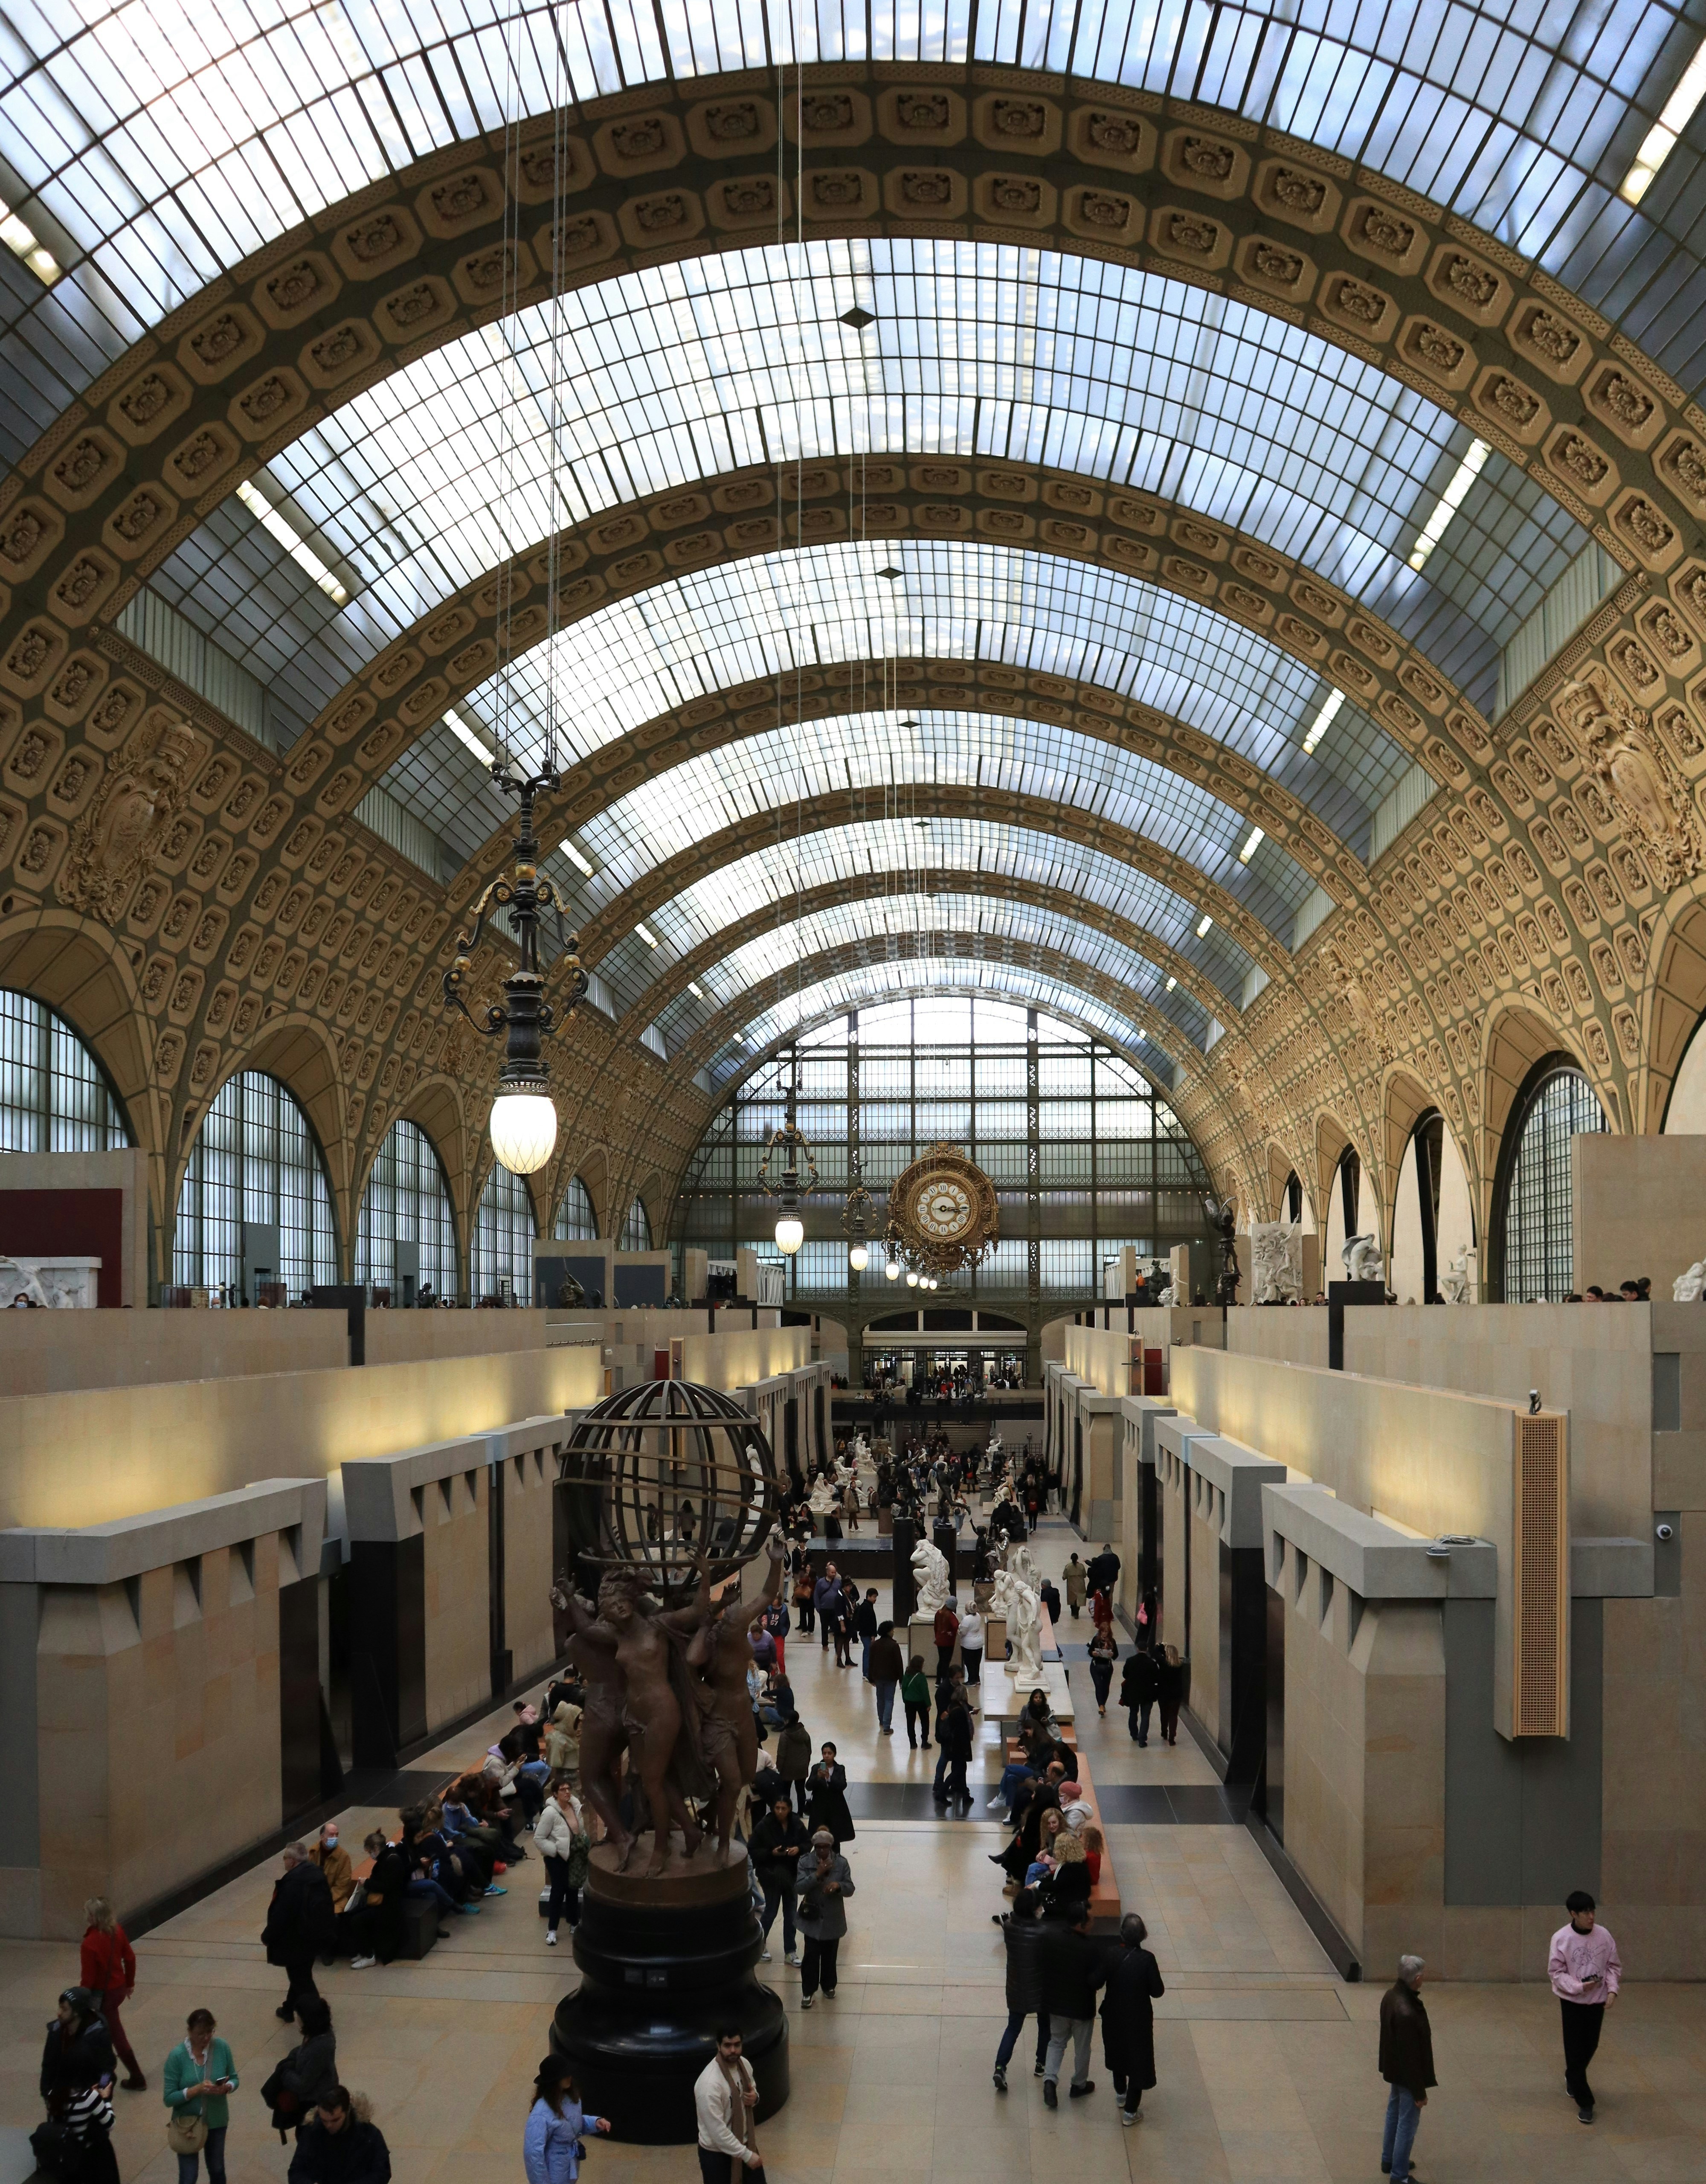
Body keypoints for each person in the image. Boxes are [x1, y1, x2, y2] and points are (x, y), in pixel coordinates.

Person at [1550, 1890, 1621, 2123]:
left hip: (1597, 2001)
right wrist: (1579, 1986)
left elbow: (1613, 1966)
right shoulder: (1561, 1938)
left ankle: (1573, 2076)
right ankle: (1586, 2102)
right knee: (1574, 2049)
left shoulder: (1604, 1936)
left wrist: (1612, 1990)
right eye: (1585, 1912)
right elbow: (1556, 1973)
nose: (1591, 1917)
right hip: (1571, 2002)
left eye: (1593, 1911)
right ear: (1573, 1914)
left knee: (1591, 2045)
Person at [1036, 1905, 1108, 2105]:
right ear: (1080, 1925)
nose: (1093, 1924)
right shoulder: (1092, 1949)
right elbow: (1096, 1983)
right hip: (1081, 2008)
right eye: (1090, 1921)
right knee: (1082, 2047)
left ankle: (1050, 2080)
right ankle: (1079, 2084)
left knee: (1056, 2042)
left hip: (1056, 2004)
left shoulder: (1051, 1939)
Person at [1100, 1914, 1165, 2124]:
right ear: (1143, 1936)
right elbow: (1157, 1991)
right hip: (1138, 2019)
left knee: (1117, 2053)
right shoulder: (1147, 1959)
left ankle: (1120, 2094)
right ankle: (1131, 2112)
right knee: (1138, 2060)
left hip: (1113, 2014)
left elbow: (1096, 1980)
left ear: (1122, 1934)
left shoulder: (1111, 1954)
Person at [262, 1842, 336, 2021]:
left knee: (302, 1981)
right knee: (301, 1974)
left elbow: (282, 1915)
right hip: (315, 1935)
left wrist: (268, 1936)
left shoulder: (293, 1883)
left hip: (296, 1940)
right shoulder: (316, 1874)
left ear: (293, 1862)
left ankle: (319, 2019)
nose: (284, 1862)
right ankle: (288, 2009)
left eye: (285, 1858)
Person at [1377, 1955, 1434, 2184]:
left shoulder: (1391, 1996)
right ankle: (1399, 2176)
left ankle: (1389, 2159)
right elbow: (1412, 2057)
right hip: (1407, 2073)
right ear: (1417, 1979)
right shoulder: (1408, 2011)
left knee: (1394, 2111)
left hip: (1394, 2067)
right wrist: (1420, 2092)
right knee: (1407, 2122)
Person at [164, 2007, 238, 2184]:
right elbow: (168, 2098)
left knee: (217, 2169)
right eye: (200, 2034)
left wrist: (228, 2087)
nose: (206, 2038)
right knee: (189, 2177)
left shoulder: (222, 2047)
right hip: (187, 2124)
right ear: (189, 2032)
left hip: (217, 2120)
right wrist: (195, 2091)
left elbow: (235, 2078)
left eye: (209, 2032)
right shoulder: (177, 2057)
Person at [79, 1897, 144, 2090]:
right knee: (107, 2030)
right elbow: (130, 1958)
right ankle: (111, 2073)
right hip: (118, 1990)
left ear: (92, 1917)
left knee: (112, 2035)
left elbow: (88, 1980)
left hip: (102, 1996)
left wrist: (80, 2001)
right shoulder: (117, 1931)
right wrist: (130, 1983)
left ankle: (133, 2077)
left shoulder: (89, 1944)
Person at [991, 1889, 1051, 2090]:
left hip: (1016, 1985)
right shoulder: (1043, 1932)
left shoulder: (1009, 1926)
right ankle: (1041, 2063)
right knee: (1045, 2025)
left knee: (1013, 2028)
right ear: (1034, 1909)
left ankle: (1000, 2067)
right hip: (1041, 1987)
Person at [523, 2053, 608, 2184]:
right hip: (553, 2173)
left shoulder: (571, 2099)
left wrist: (596, 2123)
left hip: (568, 2167)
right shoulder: (541, 2114)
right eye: (565, 2074)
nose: (569, 2076)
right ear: (554, 2080)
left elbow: (573, 2125)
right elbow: (533, 2153)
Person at [260, 1998, 334, 2143]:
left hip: (315, 2102)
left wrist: (285, 2072)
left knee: (308, 2141)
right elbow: (301, 2051)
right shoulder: (316, 2034)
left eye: (299, 2015)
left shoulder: (321, 2046)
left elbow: (304, 2084)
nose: (297, 2018)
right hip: (310, 2100)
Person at [694, 2028, 763, 2181]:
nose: (733, 2050)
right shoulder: (709, 2084)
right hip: (717, 2155)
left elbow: (752, 2086)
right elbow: (718, 2132)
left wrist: (755, 2097)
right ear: (718, 2046)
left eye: (737, 2045)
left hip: (745, 2144)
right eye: (727, 2045)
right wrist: (746, 2155)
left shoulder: (744, 2065)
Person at [796, 1828, 855, 2007]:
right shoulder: (805, 1862)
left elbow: (850, 1888)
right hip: (812, 1918)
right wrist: (817, 1874)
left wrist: (838, 1887)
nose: (822, 1851)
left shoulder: (842, 1864)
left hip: (833, 1918)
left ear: (831, 1847)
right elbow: (799, 1888)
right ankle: (808, 1991)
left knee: (830, 1956)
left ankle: (829, 1986)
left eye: (825, 1847)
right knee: (811, 1957)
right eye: (819, 1847)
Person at [286, 2086, 391, 2184]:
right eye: (324, 2120)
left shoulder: (369, 2135)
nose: (329, 2125)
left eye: (335, 2120)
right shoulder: (311, 2133)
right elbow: (296, 2171)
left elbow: (382, 2172)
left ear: (347, 2111)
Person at [749, 1793, 807, 1966]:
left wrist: (798, 1849)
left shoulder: (796, 1824)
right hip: (771, 1875)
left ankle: (790, 1951)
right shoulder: (765, 1825)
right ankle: (760, 1945)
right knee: (771, 1912)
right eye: (777, 1808)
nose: (780, 1811)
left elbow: (808, 1842)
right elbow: (752, 1849)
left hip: (791, 1874)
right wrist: (771, 1853)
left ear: (789, 1809)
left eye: (784, 1808)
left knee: (791, 1914)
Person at [40, 1989, 115, 2117]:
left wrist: (101, 2093)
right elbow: (48, 2064)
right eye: (60, 2008)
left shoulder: (98, 2037)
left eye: (64, 2010)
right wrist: (47, 2092)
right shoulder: (56, 2033)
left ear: (76, 2012)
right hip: (59, 2101)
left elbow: (107, 2070)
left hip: (88, 2104)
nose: (59, 2013)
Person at [534, 1779, 591, 1946]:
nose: (567, 1792)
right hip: (556, 1858)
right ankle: (552, 1930)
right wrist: (556, 1851)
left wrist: (584, 1841)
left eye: (568, 1789)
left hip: (573, 1855)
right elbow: (539, 1838)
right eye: (562, 1790)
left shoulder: (575, 1807)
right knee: (558, 1891)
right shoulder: (550, 1813)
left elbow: (580, 1829)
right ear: (555, 1794)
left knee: (573, 1888)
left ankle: (574, 1923)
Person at [343, 1832, 408, 1970]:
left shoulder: (392, 1861)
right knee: (352, 1916)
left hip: (389, 1907)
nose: (370, 1855)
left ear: (376, 1848)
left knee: (357, 1921)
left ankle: (368, 1956)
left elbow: (386, 1887)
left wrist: (367, 1883)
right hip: (383, 1903)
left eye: (370, 1851)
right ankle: (364, 1950)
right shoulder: (387, 1859)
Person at [805, 1742, 855, 1844]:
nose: (827, 1756)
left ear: (834, 1754)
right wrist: (817, 1778)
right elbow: (808, 1786)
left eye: (830, 1753)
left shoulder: (840, 1769)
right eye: (824, 1753)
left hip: (835, 1810)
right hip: (819, 1810)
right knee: (818, 1839)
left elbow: (842, 1785)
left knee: (835, 1839)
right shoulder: (816, 1768)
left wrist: (829, 1778)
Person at [935, 1682, 975, 1810]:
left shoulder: (953, 1707)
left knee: (961, 1770)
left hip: (954, 1745)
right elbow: (961, 1732)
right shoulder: (960, 1712)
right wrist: (965, 1750)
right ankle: (942, 1794)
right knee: (958, 1772)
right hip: (959, 1747)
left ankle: (966, 1795)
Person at [309, 1824, 355, 1919]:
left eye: (337, 1835)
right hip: (313, 1897)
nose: (334, 1838)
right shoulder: (312, 1853)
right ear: (322, 1836)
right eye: (331, 1835)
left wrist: (324, 1899)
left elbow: (342, 1886)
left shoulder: (344, 1857)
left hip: (335, 1899)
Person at [867, 1618, 905, 1735]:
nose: (894, 1632)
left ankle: (882, 1721)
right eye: (892, 1630)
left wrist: (871, 1677)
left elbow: (871, 1661)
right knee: (889, 1700)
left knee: (880, 1699)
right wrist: (901, 1679)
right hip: (891, 1677)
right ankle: (887, 1726)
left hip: (878, 1677)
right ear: (888, 1632)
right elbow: (899, 1664)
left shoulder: (875, 1645)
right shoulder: (894, 1646)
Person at [775, 1715, 812, 1816]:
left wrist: (779, 1767)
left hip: (788, 1768)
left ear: (788, 1720)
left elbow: (781, 1754)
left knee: (786, 1791)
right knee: (801, 1791)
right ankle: (800, 1813)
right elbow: (809, 1750)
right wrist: (806, 1763)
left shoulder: (785, 1735)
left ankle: (787, 1812)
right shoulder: (804, 1733)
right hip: (802, 1767)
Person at [1120, 1645, 1158, 1745]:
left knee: (1133, 1713)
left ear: (1138, 1649)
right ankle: (1142, 1739)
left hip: (1133, 1692)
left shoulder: (1130, 1661)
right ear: (1147, 1649)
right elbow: (1156, 1678)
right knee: (1145, 1716)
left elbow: (1125, 1675)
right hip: (1148, 1693)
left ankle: (1134, 1734)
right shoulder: (1152, 1663)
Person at [899, 1653, 931, 1748]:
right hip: (921, 1702)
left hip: (909, 1701)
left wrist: (905, 1700)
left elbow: (904, 1688)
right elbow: (925, 1692)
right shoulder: (921, 1677)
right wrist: (929, 1704)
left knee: (910, 1723)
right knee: (925, 1722)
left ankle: (913, 1743)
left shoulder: (907, 1675)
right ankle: (924, 1742)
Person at [1155, 1644, 1184, 1745]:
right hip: (1177, 1694)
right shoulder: (1180, 1665)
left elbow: (1156, 1653)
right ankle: (1172, 1737)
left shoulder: (1164, 1664)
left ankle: (1164, 1732)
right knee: (1173, 1715)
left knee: (1164, 1713)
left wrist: (1161, 1646)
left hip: (1163, 1693)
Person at [1087, 1626, 1118, 1715]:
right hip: (1096, 1666)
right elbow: (1090, 1651)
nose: (1104, 1634)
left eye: (1106, 1632)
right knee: (1098, 1685)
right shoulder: (1096, 1640)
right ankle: (1100, 1705)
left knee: (1105, 1686)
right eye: (1103, 1632)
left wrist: (1112, 1654)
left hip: (1107, 1666)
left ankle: (1103, 1703)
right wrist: (1093, 1654)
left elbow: (1116, 1655)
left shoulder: (1112, 1642)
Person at [958, 1601, 984, 1702]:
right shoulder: (978, 1616)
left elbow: (963, 1632)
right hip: (979, 1643)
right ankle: (977, 1679)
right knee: (977, 1662)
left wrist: (958, 1631)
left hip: (969, 1644)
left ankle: (971, 1680)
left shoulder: (967, 1620)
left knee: (969, 1663)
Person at [854, 1587, 879, 1678]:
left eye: (876, 1597)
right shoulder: (866, 1608)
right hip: (867, 1634)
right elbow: (869, 1623)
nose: (875, 1599)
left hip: (865, 1634)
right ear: (868, 1596)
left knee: (868, 1652)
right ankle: (866, 1673)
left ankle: (867, 1672)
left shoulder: (866, 1606)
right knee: (868, 1653)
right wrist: (873, 1635)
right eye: (874, 1597)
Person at [932, 1598, 958, 1679]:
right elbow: (956, 1625)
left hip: (940, 1640)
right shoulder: (951, 1616)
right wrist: (953, 1633)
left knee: (941, 1660)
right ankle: (945, 1679)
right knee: (946, 1662)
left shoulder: (939, 1613)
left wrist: (937, 1636)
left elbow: (935, 1627)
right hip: (949, 1642)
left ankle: (938, 1680)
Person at [1064, 1554, 1087, 1619]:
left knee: (1072, 1599)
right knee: (1079, 1599)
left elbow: (1064, 1577)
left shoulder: (1068, 1567)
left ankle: (1073, 1612)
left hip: (1071, 1585)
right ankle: (1077, 1613)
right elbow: (1085, 1575)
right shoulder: (1081, 1566)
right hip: (1080, 1585)